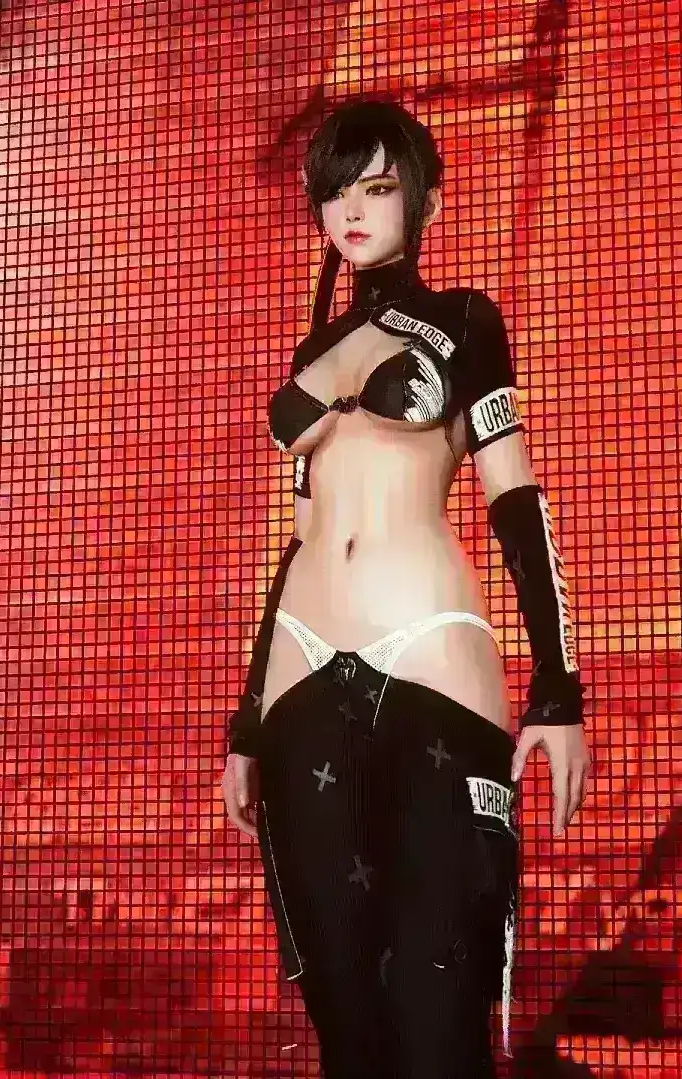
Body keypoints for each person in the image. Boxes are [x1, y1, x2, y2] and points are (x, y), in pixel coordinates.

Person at [219, 99, 590, 1078]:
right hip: (300, 669)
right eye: (336, 190)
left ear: (424, 199)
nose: (352, 209)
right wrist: (247, 723)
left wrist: (558, 687)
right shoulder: (310, 352)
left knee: (438, 1013)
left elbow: (515, 497)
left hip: (428, 652)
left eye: (377, 186)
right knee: (347, 1025)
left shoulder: (464, 320)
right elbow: (299, 539)